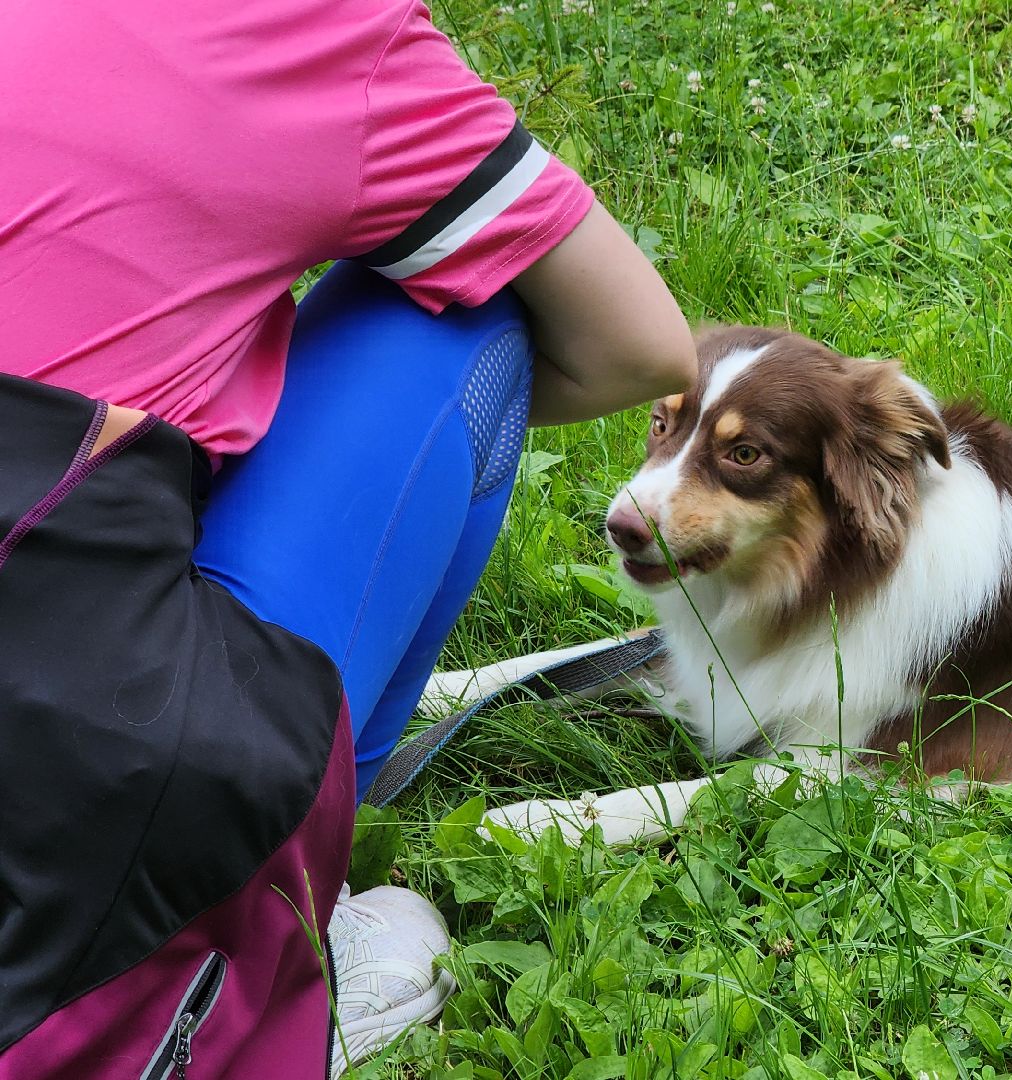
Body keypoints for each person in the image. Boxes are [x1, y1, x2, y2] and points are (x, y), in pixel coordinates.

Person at [0, 0, 693, 1074]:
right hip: (66, 856)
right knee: (471, 316)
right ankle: (291, 915)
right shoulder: (312, 29)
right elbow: (636, 345)